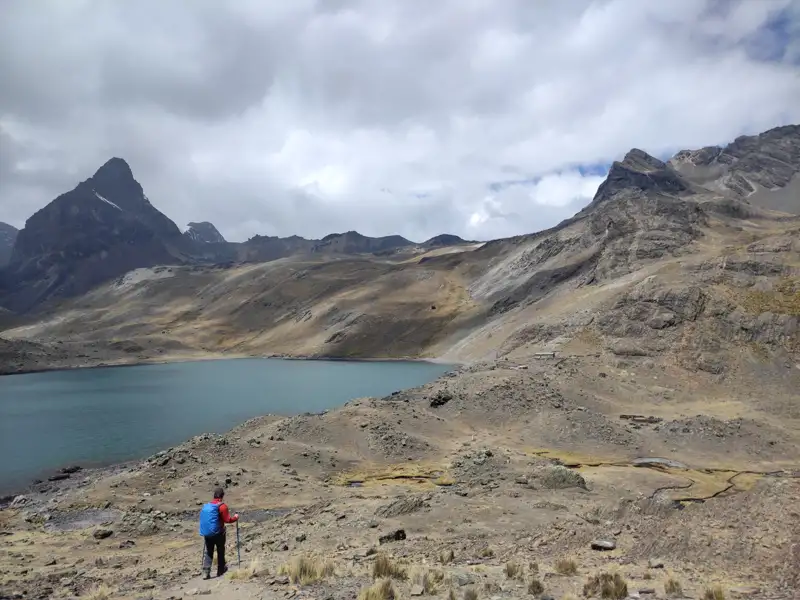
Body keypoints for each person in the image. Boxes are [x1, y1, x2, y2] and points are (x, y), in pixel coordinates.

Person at [198, 487, 239, 579]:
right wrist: (236, 517)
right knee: (220, 550)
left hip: (207, 534)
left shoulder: (207, 506)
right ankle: (220, 570)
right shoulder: (222, 506)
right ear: (222, 496)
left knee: (209, 552)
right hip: (218, 533)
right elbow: (227, 520)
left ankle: (206, 572)